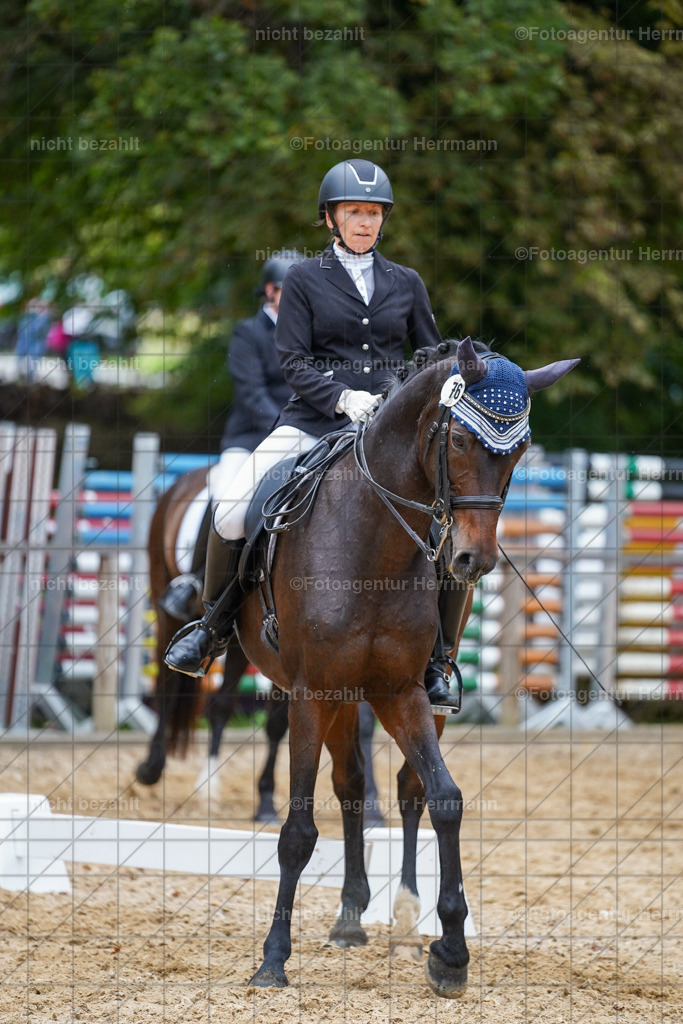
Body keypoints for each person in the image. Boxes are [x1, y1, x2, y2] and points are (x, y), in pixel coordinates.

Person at [166, 158, 467, 711]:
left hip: (388, 437)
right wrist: (342, 397)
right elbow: (291, 361)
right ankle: (212, 625)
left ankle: (439, 660)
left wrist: (440, 388)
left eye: (374, 213)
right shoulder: (304, 279)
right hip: (311, 422)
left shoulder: (407, 282)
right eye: (354, 212)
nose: (365, 222)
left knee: (450, 531)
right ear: (330, 218)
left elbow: (432, 355)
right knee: (233, 506)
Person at [158, 250, 304, 619]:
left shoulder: (310, 336)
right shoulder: (248, 333)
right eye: (294, 289)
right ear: (270, 291)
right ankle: (194, 579)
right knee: (225, 496)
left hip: (304, 437)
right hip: (250, 438)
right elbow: (252, 393)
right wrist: (287, 427)